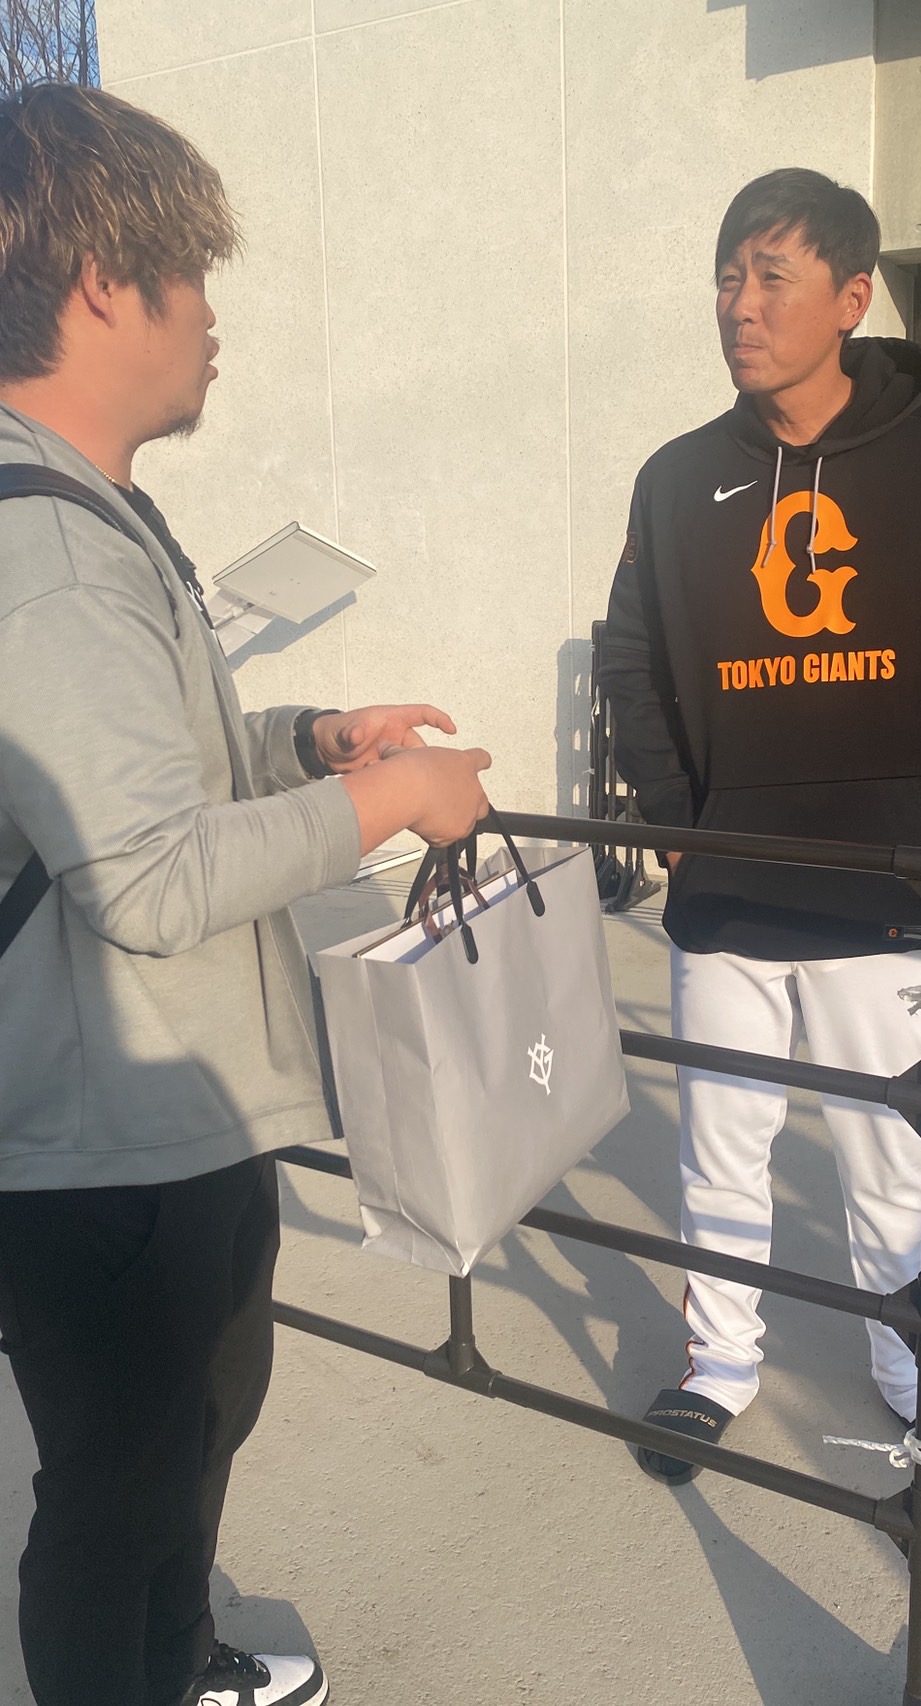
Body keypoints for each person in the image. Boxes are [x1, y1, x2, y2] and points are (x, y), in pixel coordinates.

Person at [0, 82, 491, 1706]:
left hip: (159, 1116)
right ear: (101, 282)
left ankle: (182, 1664)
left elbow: (146, 774)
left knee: (181, 1447)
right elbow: (147, 875)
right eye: (190, 274)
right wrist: (386, 800)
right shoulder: (44, 548)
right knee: (120, 1491)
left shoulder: (95, 509)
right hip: (103, 1148)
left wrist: (305, 741)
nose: (212, 316)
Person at [601, 167, 921, 1484]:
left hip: (892, 885)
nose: (738, 306)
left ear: (854, 297)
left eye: (771, 278)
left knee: (893, 1156)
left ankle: (915, 1376)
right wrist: (676, 820)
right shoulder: (677, 477)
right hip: (729, 885)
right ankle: (719, 1366)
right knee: (721, 1147)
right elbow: (632, 656)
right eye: (725, 277)